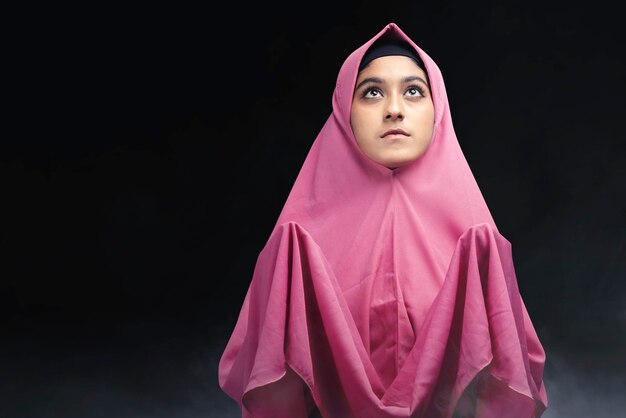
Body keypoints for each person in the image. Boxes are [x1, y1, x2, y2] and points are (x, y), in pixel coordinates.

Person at [218, 22, 548, 418]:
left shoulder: (478, 243)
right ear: (344, 109)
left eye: (413, 91)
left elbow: (505, 381)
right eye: (372, 92)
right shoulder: (294, 245)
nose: (394, 108)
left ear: (437, 108)